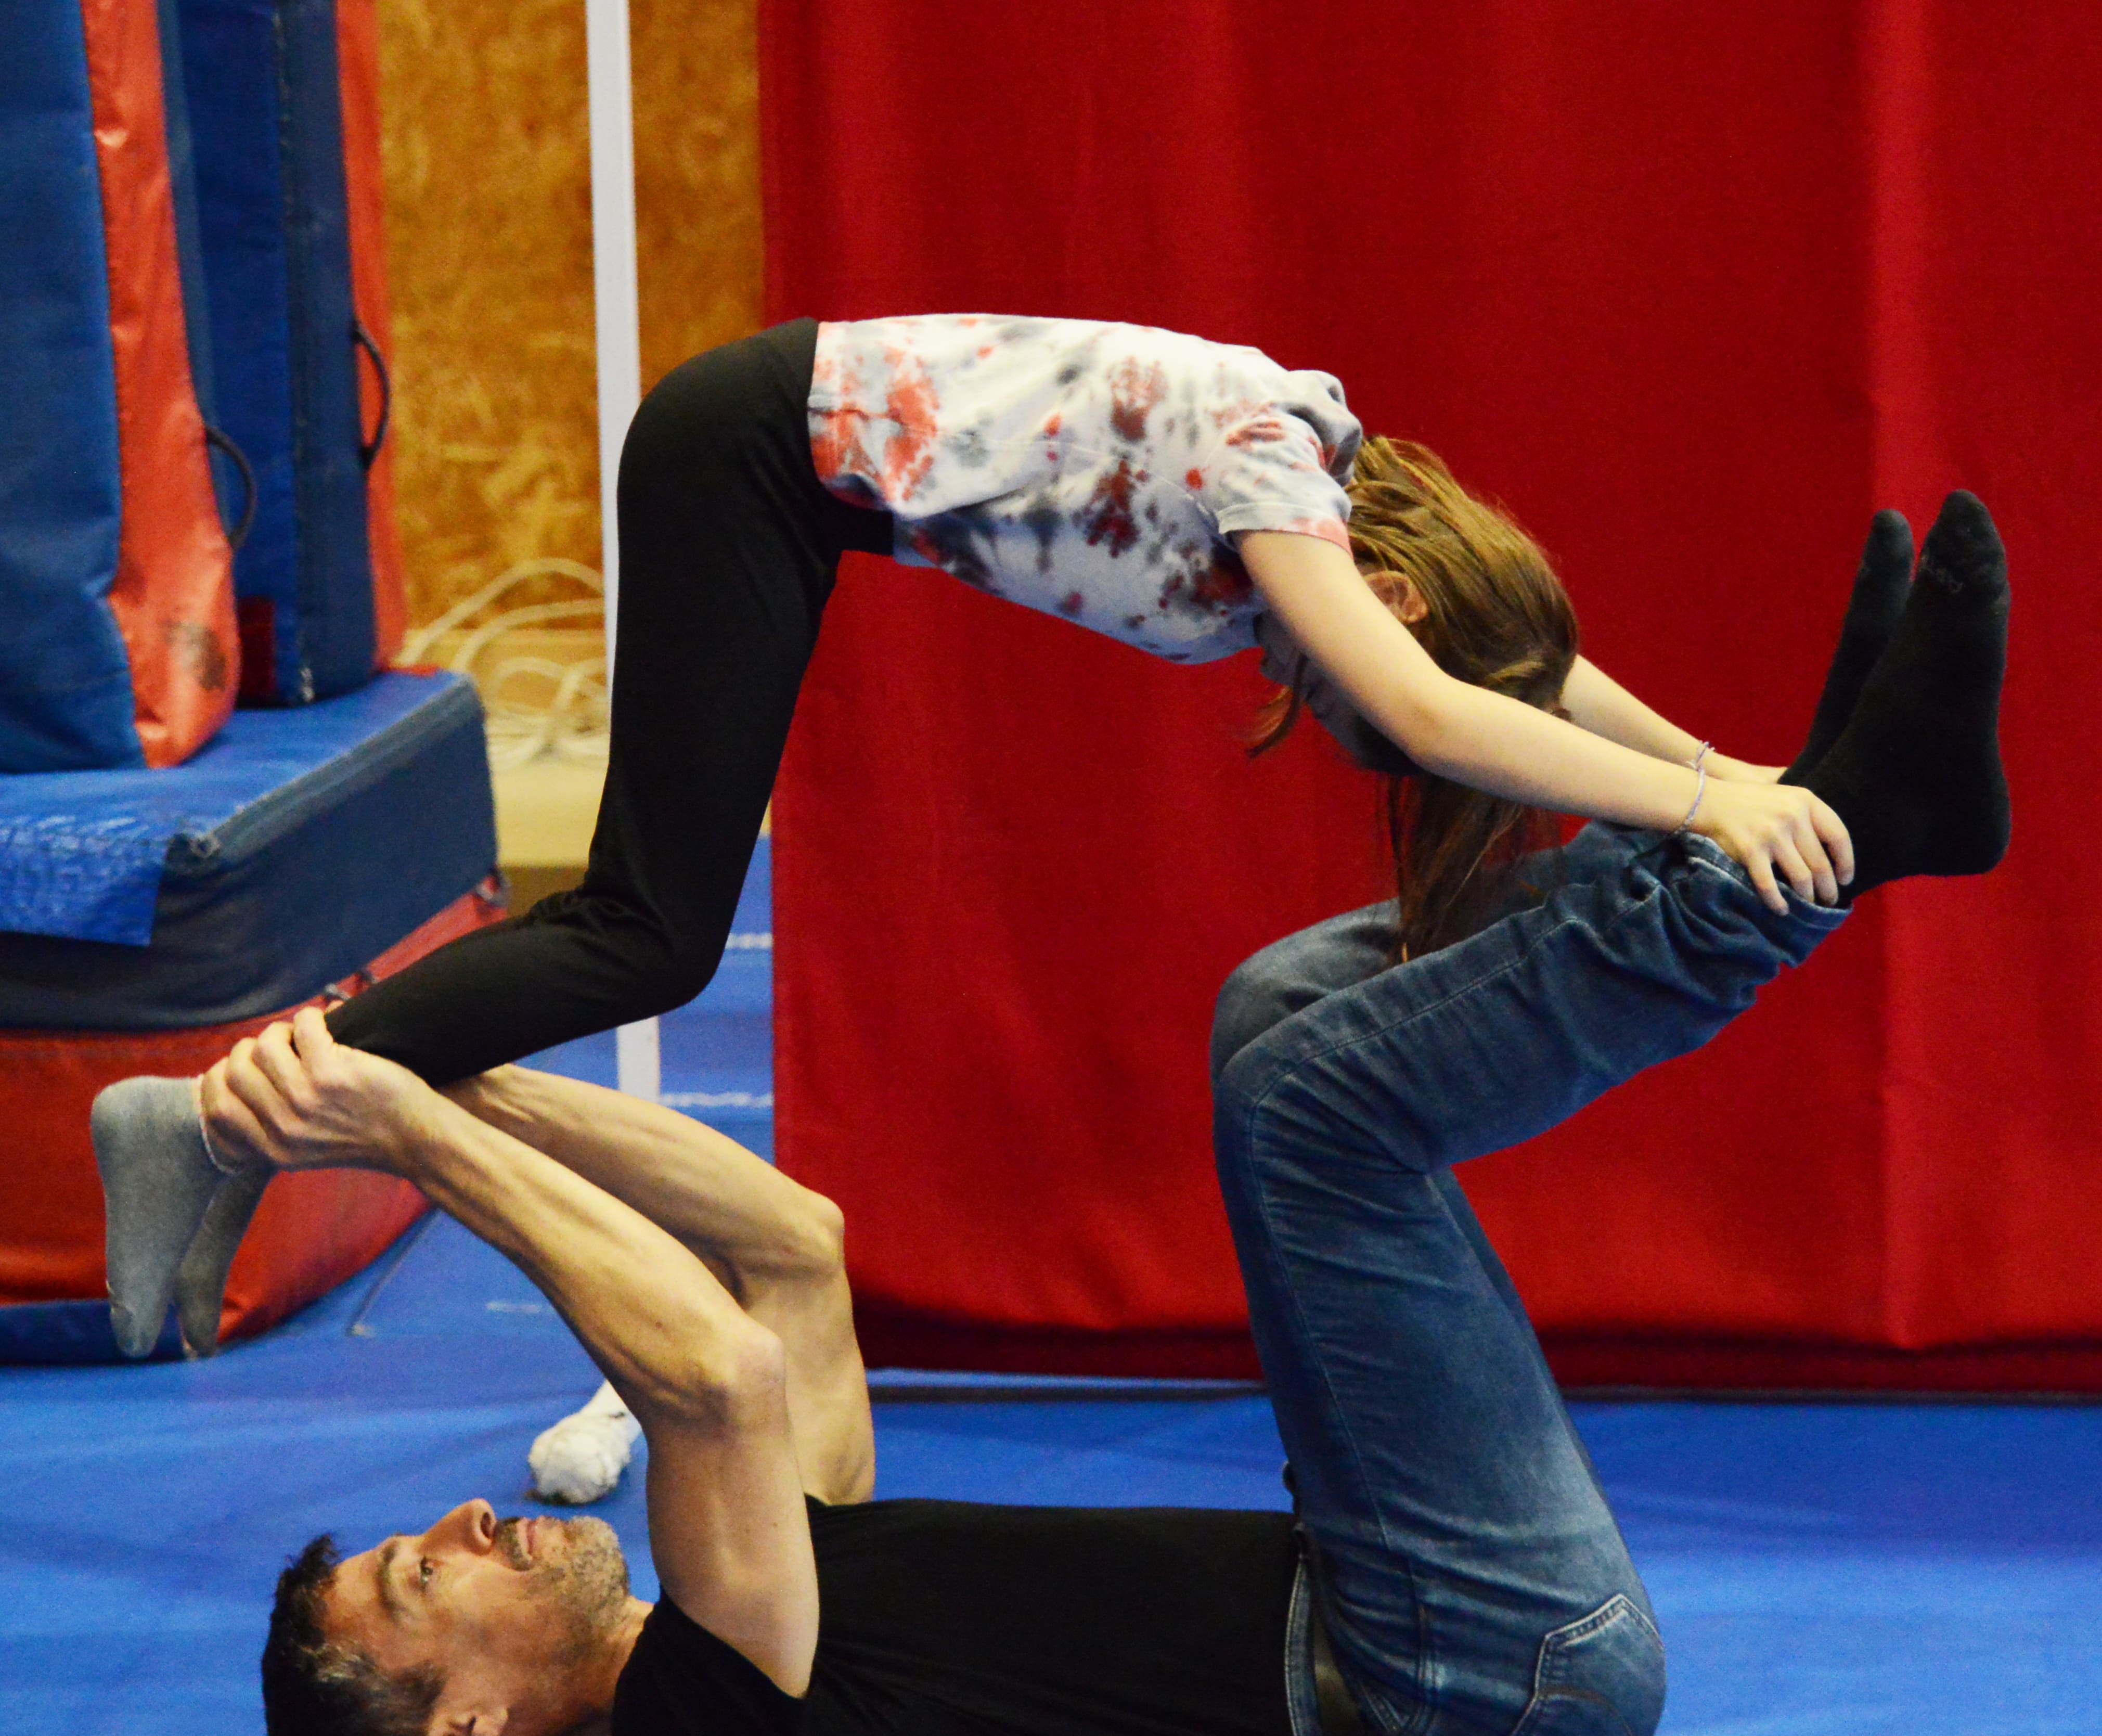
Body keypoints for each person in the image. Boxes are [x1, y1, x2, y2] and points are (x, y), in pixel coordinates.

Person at [249, 494, 2007, 1736]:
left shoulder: (755, 1600)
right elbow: (709, 1376)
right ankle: (1798, 862)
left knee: (1276, 1019)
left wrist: (443, 1066)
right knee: (1318, 1114)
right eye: (419, 1586)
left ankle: (1797, 822)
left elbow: (787, 1251)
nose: (462, 1522)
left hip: (1417, 1618)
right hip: (1470, 1699)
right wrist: (410, 1138)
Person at [98, 313, 1861, 1367]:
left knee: (650, 930)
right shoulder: (1280, 475)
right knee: (647, 932)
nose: (1312, 702)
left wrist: (1731, 765)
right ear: (1388, 602)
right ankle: (208, 1116)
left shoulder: (1327, 483)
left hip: (778, 470)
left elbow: (1518, 667)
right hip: (747, 458)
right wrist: (1707, 808)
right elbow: (1437, 709)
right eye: (1335, 683)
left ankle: (244, 1122)